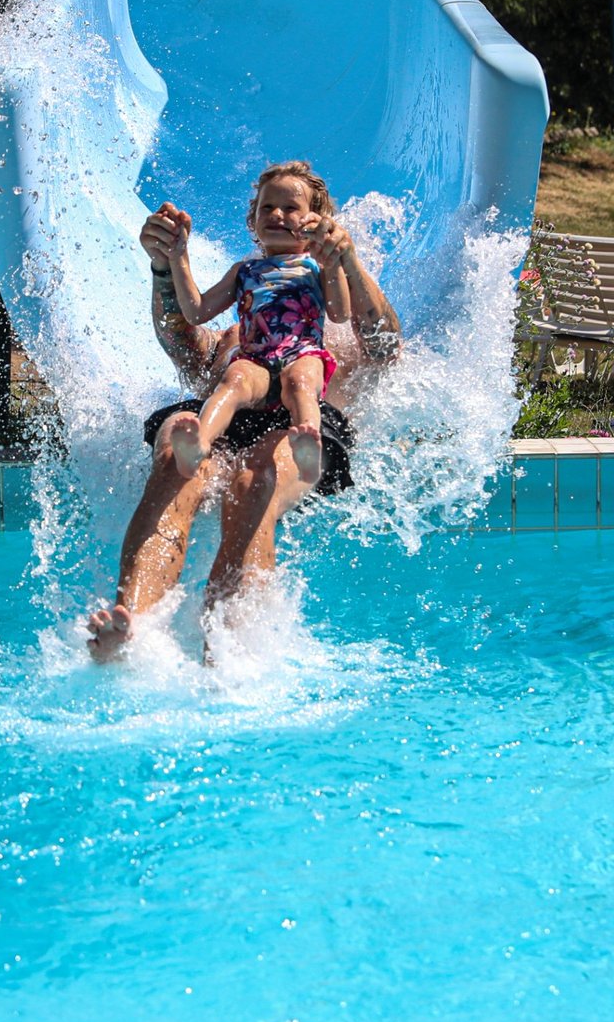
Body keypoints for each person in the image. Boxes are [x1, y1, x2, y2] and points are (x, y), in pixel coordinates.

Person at [87, 176, 402, 662]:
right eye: (268, 209)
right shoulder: (236, 328)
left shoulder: (330, 332)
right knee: (176, 454)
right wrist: (164, 265)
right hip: (221, 415)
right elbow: (182, 339)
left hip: (295, 429)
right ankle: (130, 626)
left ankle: (231, 646)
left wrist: (348, 261)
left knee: (256, 478)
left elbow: (385, 347)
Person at [161, 161, 351, 485]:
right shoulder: (244, 271)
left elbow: (340, 312)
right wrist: (179, 257)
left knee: (301, 383)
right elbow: (196, 312)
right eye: (268, 207)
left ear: (315, 222)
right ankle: (199, 442)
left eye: (290, 208)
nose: (277, 214)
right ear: (254, 219)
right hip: (256, 357)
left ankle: (308, 446)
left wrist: (332, 264)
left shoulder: (314, 268)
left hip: (303, 352)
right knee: (234, 379)